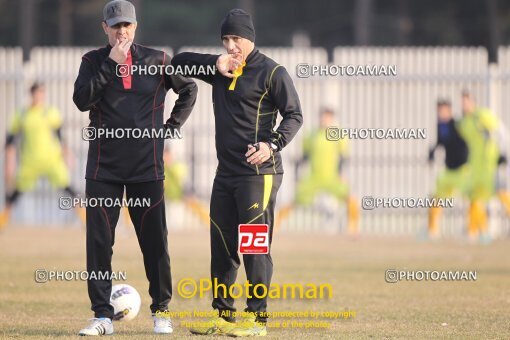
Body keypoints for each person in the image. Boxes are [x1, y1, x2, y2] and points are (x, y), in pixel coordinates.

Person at [172, 8, 303, 337]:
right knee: (221, 244)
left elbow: (294, 115)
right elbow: (177, 62)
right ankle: (223, 316)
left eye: (237, 38)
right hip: (225, 174)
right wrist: (213, 63)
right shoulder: (219, 69)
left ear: (250, 38)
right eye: (226, 39)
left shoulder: (272, 72)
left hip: (259, 174)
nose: (231, 45)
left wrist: (271, 144)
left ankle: (257, 319)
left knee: (254, 246)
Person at [73, 0, 197, 335]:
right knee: (99, 244)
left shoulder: (157, 60)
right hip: (103, 170)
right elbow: (82, 99)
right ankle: (101, 316)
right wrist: (110, 66)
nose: (121, 32)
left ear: (135, 27)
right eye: (115, 26)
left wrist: (171, 127)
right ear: (105, 29)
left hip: (147, 169)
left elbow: (189, 89)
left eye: (126, 25)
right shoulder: (92, 61)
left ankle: (162, 311)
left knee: (155, 243)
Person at [0, 82, 83, 229]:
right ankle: (3, 221)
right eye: (37, 93)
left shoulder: (50, 113)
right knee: (16, 192)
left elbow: (60, 136)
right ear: (31, 94)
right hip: (29, 162)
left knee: (68, 188)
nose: (39, 96)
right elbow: (11, 141)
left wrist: (67, 154)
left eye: (42, 93)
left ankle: (85, 219)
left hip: (52, 160)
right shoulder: (22, 114)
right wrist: (9, 161)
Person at [277, 108, 359, 235]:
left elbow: (343, 157)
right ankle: (276, 224)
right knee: (295, 200)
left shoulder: (338, 134)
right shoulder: (311, 135)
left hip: (332, 176)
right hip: (314, 176)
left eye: (327, 118)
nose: (324, 120)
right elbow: (304, 157)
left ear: (332, 119)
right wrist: (297, 177)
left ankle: (353, 229)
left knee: (351, 198)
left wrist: (341, 173)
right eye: (323, 117)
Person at [458, 90, 510, 243]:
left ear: (473, 102)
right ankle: (476, 231)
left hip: (489, 164)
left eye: (467, 101)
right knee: (474, 197)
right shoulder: (464, 122)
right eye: (462, 101)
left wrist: (501, 153)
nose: (464, 104)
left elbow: (501, 131)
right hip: (475, 166)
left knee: (500, 192)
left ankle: (477, 231)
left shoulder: (482, 115)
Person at [427, 99, 469, 239]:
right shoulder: (440, 125)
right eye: (439, 110)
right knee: (436, 199)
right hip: (448, 169)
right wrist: (432, 152)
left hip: (462, 169)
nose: (441, 113)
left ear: (450, 111)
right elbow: (441, 142)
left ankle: (474, 231)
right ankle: (432, 231)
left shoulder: (458, 124)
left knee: (472, 199)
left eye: (443, 110)